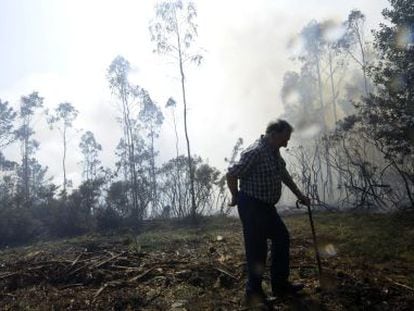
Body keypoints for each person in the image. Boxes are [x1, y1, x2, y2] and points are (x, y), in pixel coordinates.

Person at [226, 119, 310, 307]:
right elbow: (231, 174)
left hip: (266, 207)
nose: (286, 143)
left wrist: (300, 195)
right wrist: (234, 196)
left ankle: (280, 285)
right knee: (257, 250)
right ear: (273, 135)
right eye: (284, 139)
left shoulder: (273, 152)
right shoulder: (255, 151)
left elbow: (284, 175)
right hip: (252, 206)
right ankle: (253, 293)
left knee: (282, 238)